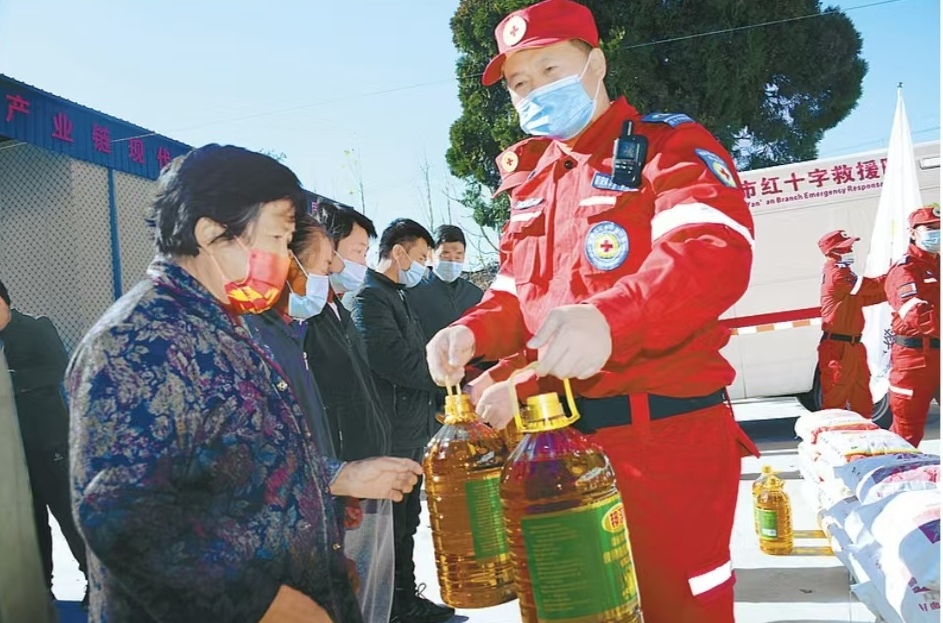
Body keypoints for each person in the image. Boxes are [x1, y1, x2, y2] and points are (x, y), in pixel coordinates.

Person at [426, 2, 759, 622]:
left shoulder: (667, 147)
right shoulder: (534, 184)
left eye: (550, 68)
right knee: (572, 606)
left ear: (597, 63)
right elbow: (514, 298)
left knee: (679, 608)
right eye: (521, 83)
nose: (534, 92)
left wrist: (613, 318)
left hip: (663, 442)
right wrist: (469, 332)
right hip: (555, 447)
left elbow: (712, 253)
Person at [67, 144, 422, 623]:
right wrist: (265, 603)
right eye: (276, 238)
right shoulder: (137, 340)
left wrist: (337, 478)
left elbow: (240, 462)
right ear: (211, 233)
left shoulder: (226, 322)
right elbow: (126, 519)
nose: (284, 259)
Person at [350, 218, 454, 623]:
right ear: (399, 252)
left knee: (408, 520)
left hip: (412, 426)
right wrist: (441, 376)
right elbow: (391, 359)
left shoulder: (396, 295)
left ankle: (406, 598)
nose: (424, 267)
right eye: (422, 257)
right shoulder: (371, 298)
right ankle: (392, 606)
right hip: (391, 430)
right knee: (391, 524)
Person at [304, 202, 396, 622]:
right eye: (356, 252)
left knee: (374, 586)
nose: (362, 263)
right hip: (343, 475)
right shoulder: (307, 315)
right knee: (349, 591)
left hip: (371, 464)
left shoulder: (338, 311)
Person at [0, 281, 89, 605]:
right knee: (31, 523)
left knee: (68, 514)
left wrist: (9, 381)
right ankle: (40, 589)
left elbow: (58, 370)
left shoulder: (37, 328)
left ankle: (95, 584)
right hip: (12, 453)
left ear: (5, 301)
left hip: (50, 444)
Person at [243, 214, 339, 458]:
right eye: (324, 269)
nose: (326, 281)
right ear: (290, 263)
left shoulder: (294, 331)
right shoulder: (256, 338)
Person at [885, 204, 940, 447]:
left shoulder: (937, 264)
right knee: (906, 435)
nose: (936, 232)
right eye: (929, 228)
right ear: (913, 233)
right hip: (915, 360)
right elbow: (916, 314)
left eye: (939, 227)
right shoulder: (905, 269)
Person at [816, 230, 887, 417]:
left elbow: (867, 297)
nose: (851, 249)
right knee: (835, 399)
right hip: (838, 347)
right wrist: (895, 275)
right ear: (833, 251)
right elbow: (870, 287)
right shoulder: (837, 273)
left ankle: (864, 433)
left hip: (853, 345)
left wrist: (895, 289)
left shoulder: (844, 272)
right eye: (847, 247)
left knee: (861, 394)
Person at [406, 224, 483, 344]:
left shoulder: (475, 295)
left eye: (458, 255)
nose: (452, 261)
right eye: (445, 254)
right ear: (431, 254)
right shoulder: (412, 290)